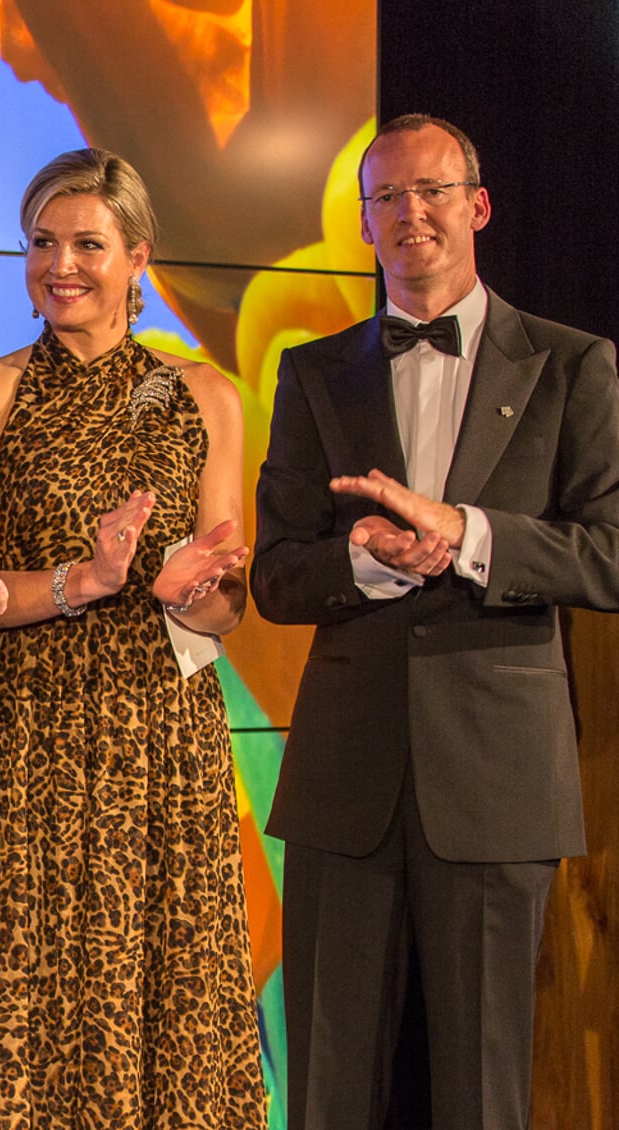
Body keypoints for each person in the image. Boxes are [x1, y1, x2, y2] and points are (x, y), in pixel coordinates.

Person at [253, 114, 619, 1129]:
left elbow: (610, 552)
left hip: (498, 777)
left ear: (478, 205)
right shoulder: (314, 371)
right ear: (364, 225)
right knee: (328, 1084)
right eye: (386, 198)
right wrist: (363, 560)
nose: (410, 213)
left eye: (432, 190)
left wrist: (465, 532)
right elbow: (278, 578)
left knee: (486, 1089)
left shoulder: (572, 363)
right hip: (345, 781)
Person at [0, 147, 264, 1126]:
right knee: (13, 1008)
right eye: (41, 241)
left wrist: (189, 592)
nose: (59, 263)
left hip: (162, 744)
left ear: (138, 256)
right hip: (22, 735)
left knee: (165, 1006)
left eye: (87, 243)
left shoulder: (208, 399)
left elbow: (223, 607)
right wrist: (89, 580)